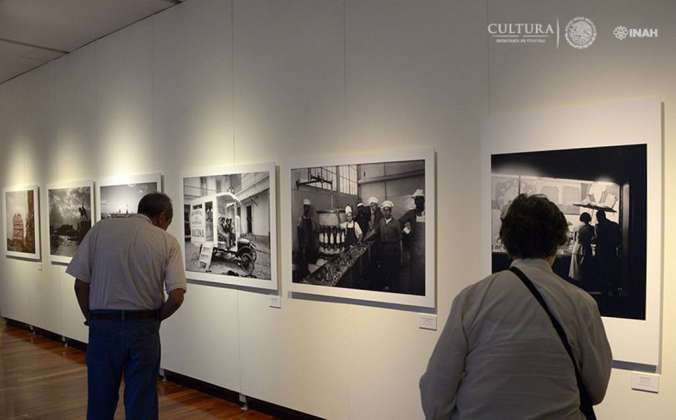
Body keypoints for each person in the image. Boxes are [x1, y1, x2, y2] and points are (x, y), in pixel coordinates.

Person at [420, 194, 611, 420]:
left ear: (507, 240)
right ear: (558, 241)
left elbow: (436, 391)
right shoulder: (582, 304)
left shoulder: (471, 299)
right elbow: (596, 390)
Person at [66, 192, 187, 420]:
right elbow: (177, 296)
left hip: (103, 327)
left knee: (99, 402)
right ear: (162, 217)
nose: (166, 228)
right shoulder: (166, 241)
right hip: (143, 328)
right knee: (141, 403)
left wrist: (92, 319)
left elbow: (80, 285)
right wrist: (157, 317)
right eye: (168, 224)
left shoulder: (100, 230)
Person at [366, 200, 402, 292]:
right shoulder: (381, 221)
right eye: (384, 210)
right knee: (384, 267)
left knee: (392, 268)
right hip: (383, 248)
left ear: (391, 211)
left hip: (393, 250)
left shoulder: (396, 223)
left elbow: (400, 239)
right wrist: (365, 239)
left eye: (388, 210)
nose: (386, 212)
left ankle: (393, 286)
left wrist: (400, 255)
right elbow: (375, 231)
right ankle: (386, 285)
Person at [399, 189, 426, 295]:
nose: (417, 202)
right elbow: (400, 222)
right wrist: (408, 232)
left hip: (426, 249)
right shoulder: (411, 213)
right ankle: (414, 292)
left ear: (423, 201)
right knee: (414, 272)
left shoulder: (430, 213)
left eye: (419, 200)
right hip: (415, 248)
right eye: (416, 200)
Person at [594, 209, 622, 296]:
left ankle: (604, 290)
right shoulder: (614, 225)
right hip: (611, 251)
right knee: (612, 270)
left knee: (602, 271)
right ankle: (614, 289)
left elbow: (596, 239)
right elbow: (619, 239)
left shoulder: (598, 227)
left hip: (601, 252)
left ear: (598, 217)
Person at [296, 198, 319, 278]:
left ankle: (309, 276)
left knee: (310, 263)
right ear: (303, 208)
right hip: (303, 246)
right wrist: (301, 246)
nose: (307, 209)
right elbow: (299, 234)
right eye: (305, 207)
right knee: (303, 264)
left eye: (308, 208)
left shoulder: (311, 220)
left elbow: (314, 232)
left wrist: (315, 244)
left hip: (310, 245)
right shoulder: (300, 220)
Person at [569, 212, 595, 283]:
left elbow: (574, 240)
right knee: (585, 270)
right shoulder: (591, 228)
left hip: (576, 248)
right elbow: (593, 240)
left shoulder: (576, 227)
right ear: (589, 218)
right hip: (586, 249)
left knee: (576, 271)